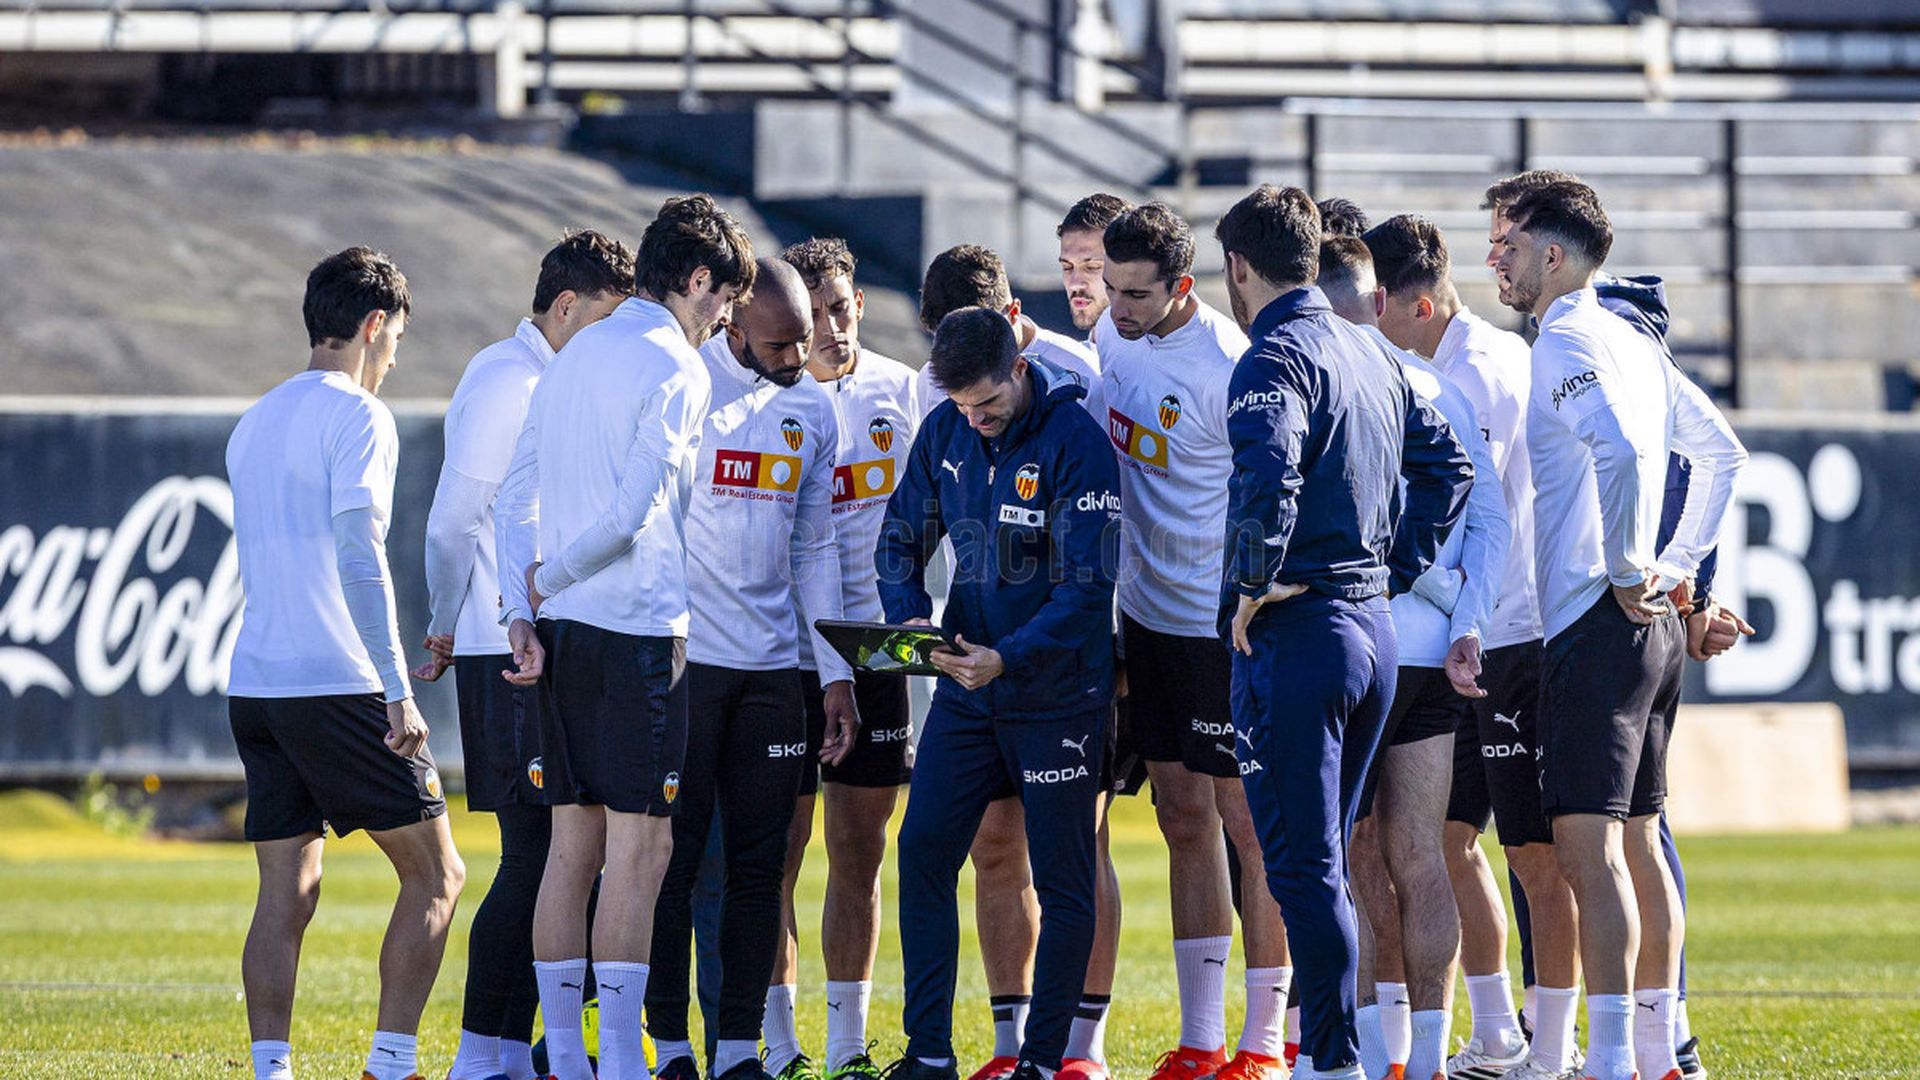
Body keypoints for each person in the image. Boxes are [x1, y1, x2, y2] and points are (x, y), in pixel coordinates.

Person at [1213, 185, 1473, 1080]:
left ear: (1239, 269)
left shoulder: (1273, 357)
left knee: (1306, 862)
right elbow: (1449, 464)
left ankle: (1331, 1060)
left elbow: (1269, 473)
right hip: (1373, 630)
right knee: (1330, 855)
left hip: (1303, 633)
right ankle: (1348, 1052)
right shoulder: (1370, 350)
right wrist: (1392, 570)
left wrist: (1249, 585)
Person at [495, 194, 755, 1080]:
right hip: (637, 631)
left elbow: (512, 496)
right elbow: (634, 515)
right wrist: (550, 581)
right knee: (641, 852)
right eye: (723, 301)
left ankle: (567, 1057)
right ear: (694, 280)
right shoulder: (677, 368)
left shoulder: (570, 354)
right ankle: (615, 1063)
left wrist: (522, 612)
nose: (724, 320)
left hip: (565, 635)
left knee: (573, 849)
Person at [1492, 179, 1746, 1080]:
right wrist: (1676, 572)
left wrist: (1640, 567)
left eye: (1510, 247)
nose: (1498, 261)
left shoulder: (1564, 337)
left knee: (1588, 852)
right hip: (1646, 629)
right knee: (1639, 841)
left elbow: (1626, 450)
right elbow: (1721, 453)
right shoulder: (1632, 339)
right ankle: (1655, 1054)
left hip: (1596, 621)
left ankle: (1605, 1063)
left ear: (1553, 256)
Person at [226, 246, 466, 1080]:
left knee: (286, 892)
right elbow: (360, 561)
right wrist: (397, 693)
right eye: (396, 336)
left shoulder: (255, 418)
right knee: (440, 875)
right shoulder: (360, 417)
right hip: (339, 684)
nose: (395, 355)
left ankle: (271, 1070)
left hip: (256, 685)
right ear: (373, 326)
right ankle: (391, 1067)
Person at [876, 307, 1122, 1080]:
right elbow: (898, 539)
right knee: (921, 853)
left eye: (986, 404)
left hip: (1057, 696)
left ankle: (1043, 1062)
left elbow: (1089, 589)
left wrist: (1007, 659)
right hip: (966, 692)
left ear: (1019, 367)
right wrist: (910, 614)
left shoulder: (1075, 441)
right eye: (961, 407)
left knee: (1062, 877)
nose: (976, 421)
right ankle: (930, 1052)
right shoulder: (946, 432)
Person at [417, 230, 635, 1080]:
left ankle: (508, 1049)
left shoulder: (550, 379)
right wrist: (446, 623)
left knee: (555, 854)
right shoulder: (508, 380)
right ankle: (481, 1051)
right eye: (605, 320)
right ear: (567, 305)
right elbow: (449, 521)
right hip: (498, 644)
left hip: (530, 638)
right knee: (535, 854)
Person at [1364, 212, 1577, 1080]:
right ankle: (1495, 1033)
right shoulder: (1445, 364)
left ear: (1411, 303)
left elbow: (1472, 519)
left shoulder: (1479, 373)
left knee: (1523, 851)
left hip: (1506, 633)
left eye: (1375, 307)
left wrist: (1453, 609)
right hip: (1475, 631)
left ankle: (1555, 1042)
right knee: (1445, 842)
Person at [1095, 200, 1297, 1080]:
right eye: (1109, 288)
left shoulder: (1228, 364)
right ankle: (1200, 1038)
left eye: (1135, 293)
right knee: (1183, 822)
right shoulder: (1111, 337)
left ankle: (1262, 1042)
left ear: (1184, 285)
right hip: (1147, 619)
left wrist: (1246, 597)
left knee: (1250, 830)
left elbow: (1265, 498)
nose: (1118, 307)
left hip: (1222, 627)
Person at [646, 257, 858, 1080]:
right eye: (777, 343)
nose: (796, 357)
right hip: (689, 667)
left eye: (804, 339)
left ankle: (740, 1048)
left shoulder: (811, 408)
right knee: (672, 861)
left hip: (775, 672)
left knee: (761, 869)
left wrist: (834, 673)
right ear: (732, 324)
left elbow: (815, 545)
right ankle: (666, 1045)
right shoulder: (686, 387)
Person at [1316, 234, 1509, 1080]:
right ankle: (1423, 1058)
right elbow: (1489, 522)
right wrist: (1463, 618)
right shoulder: (1441, 388)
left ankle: (1373, 1055)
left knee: (1352, 854)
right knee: (1420, 854)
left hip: (1355, 642)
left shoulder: (1321, 382)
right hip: (1431, 653)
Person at [734, 236, 923, 1080]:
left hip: (879, 647)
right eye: (820, 316)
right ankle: (777, 1043)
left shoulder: (903, 391)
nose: (836, 328)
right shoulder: (765, 404)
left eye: (846, 309)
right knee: (775, 848)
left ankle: (848, 1043)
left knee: (862, 851)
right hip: (784, 650)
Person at [915, 244, 1105, 424]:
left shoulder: (1083, 376)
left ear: (1014, 312)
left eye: (978, 342)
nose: (960, 357)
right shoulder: (931, 380)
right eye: (944, 341)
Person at [1057, 192, 1133, 339]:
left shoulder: (1174, 357)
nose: (1074, 284)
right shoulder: (1063, 359)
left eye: (1092, 267)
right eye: (1067, 267)